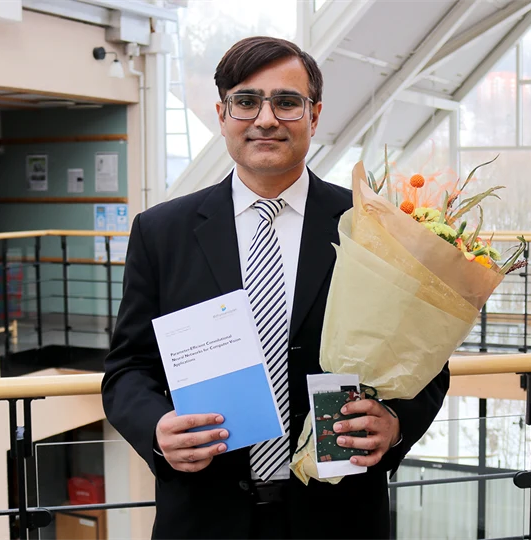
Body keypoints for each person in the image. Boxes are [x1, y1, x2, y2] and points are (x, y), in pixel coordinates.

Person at [102, 36, 450, 540]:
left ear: (314, 115)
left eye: (287, 102)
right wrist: (156, 429)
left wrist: (395, 424)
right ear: (222, 114)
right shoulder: (162, 232)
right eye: (246, 101)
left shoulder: (374, 227)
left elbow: (426, 361)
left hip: (340, 515)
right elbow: (127, 368)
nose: (266, 119)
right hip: (203, 516)